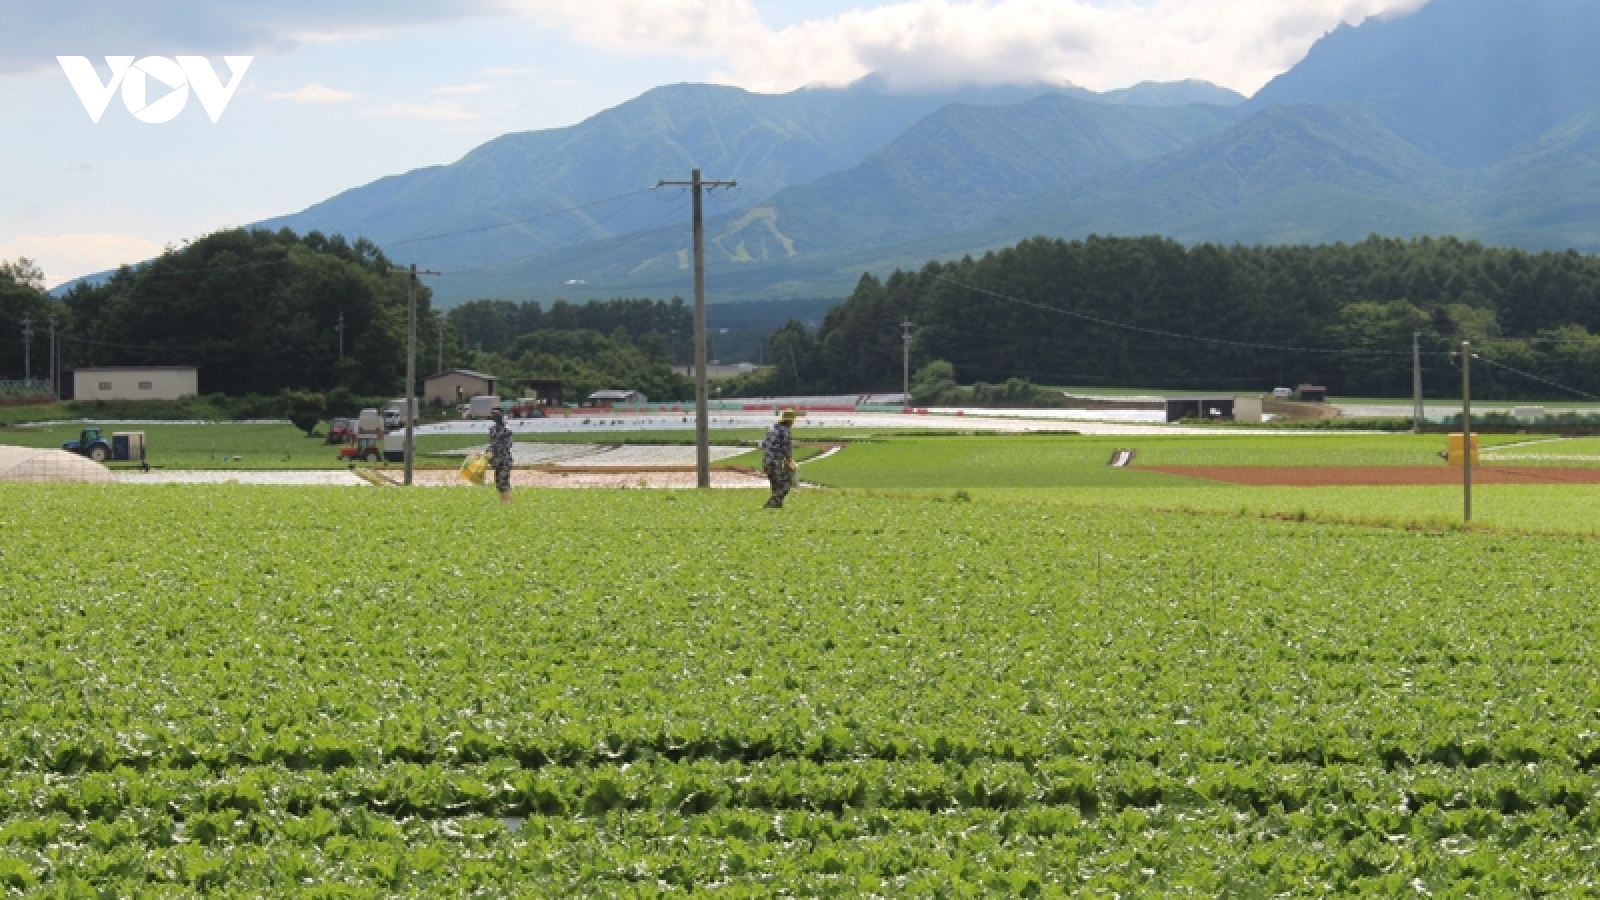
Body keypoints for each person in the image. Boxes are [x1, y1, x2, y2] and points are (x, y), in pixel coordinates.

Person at [760, 408, 798, 508]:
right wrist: (790, 461)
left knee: (776, 486)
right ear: (789, 421)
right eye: (792, 421)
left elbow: (763, 445)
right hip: (775, 463)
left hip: (766, 462)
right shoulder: (785, 431)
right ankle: (770, 505)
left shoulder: (772, 429)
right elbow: (786, 448)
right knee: (786, 484)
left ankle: (777, 507)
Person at [487, 405, 514, 505]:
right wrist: (488, 452)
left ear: (502, 415)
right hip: (496, 460)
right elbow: (492, 443)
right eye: (493, 414)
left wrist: (494, 451)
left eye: (496, 414)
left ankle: (506, 503)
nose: (494, 416)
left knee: (504, 482)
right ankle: (505, 501)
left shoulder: (507, 429)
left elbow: (507, 445)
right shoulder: (492, 429)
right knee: (498, 482)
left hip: (504, 459)